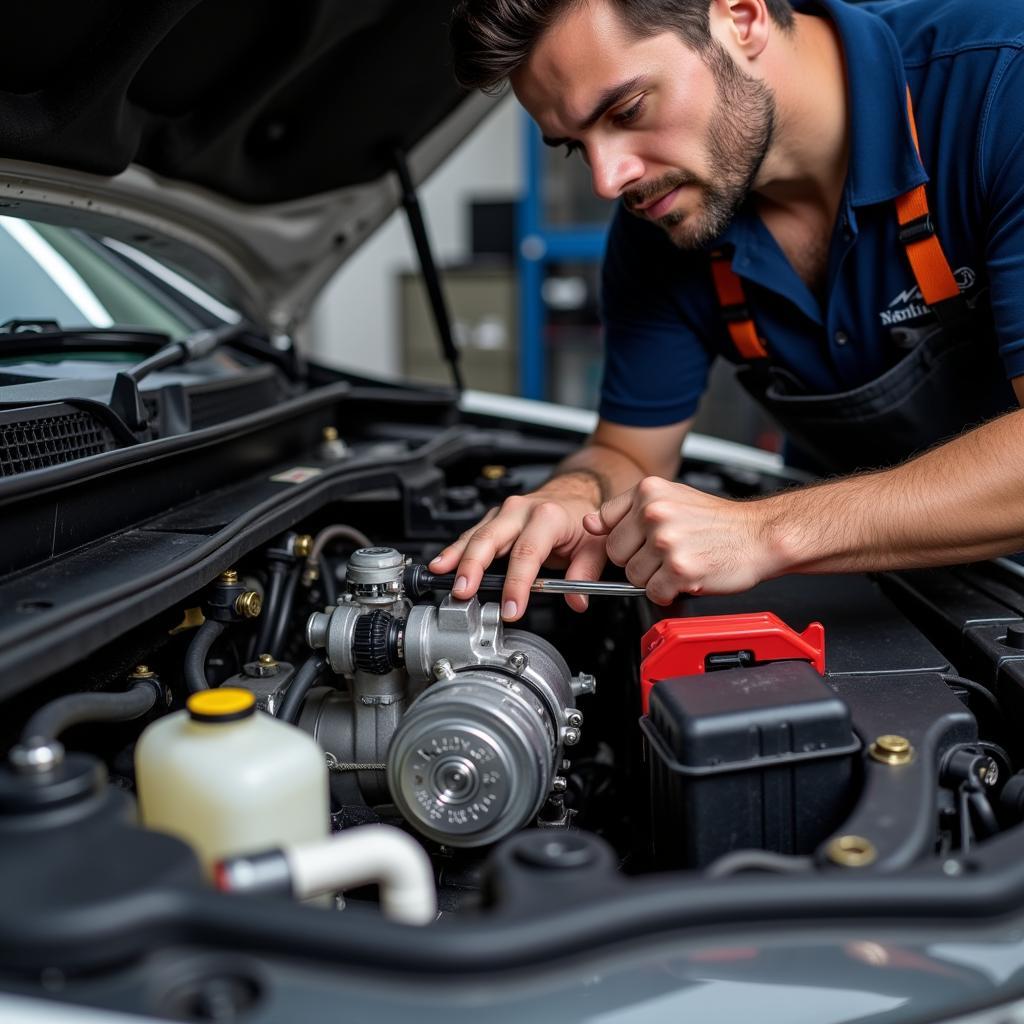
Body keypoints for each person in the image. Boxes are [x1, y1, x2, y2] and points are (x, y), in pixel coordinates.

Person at [434, 0, 1024, 621]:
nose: (609, 180)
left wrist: (764, 532)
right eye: (575, 148)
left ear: (741, 18)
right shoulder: (661, 224)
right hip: (884, 606)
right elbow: (632, 454)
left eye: (627, 110)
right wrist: (571, 495)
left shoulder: (1000, 92)